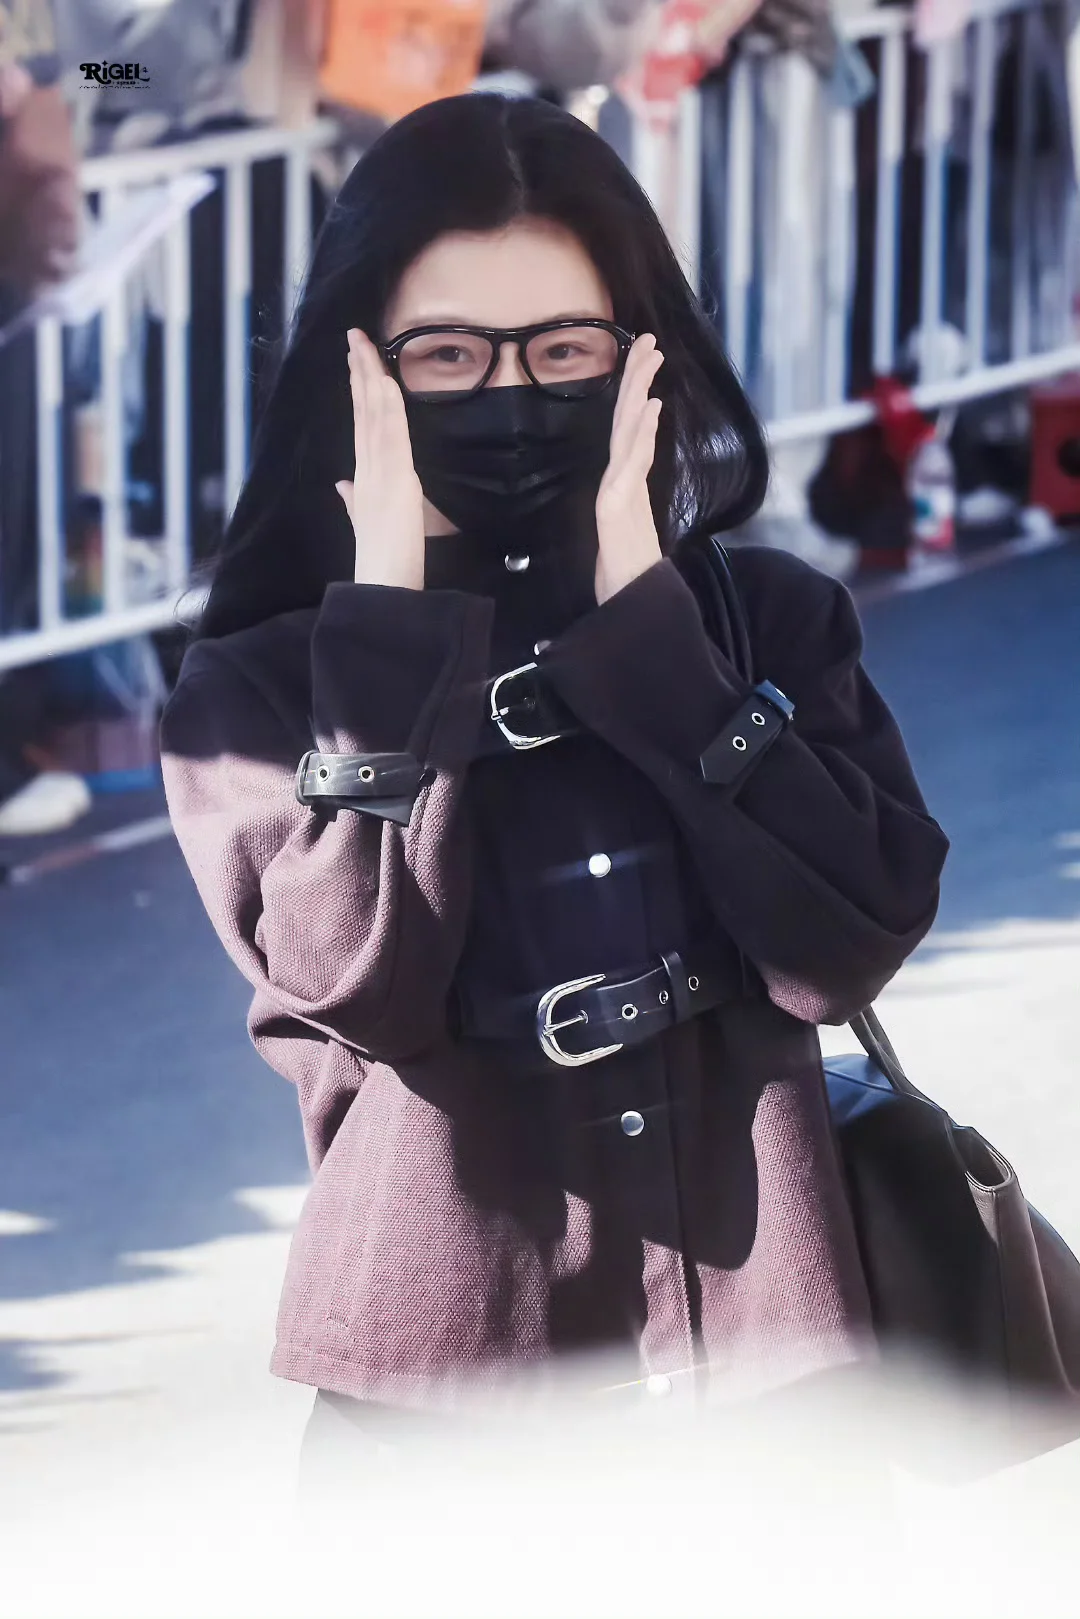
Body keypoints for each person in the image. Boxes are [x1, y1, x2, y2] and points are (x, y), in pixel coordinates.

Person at [159, 92, 949, 1488]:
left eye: (564, 347)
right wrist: (392, 628)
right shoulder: (257, 685)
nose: (510, 394)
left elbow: (849, 942)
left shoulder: (768, 616)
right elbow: (355, 988)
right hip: (445, 1421)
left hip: (773, 1390)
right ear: (360, 370)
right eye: (448, 352)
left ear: (642, 357)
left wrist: (656, 636)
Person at [0, 2, 91, 836]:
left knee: (24, 513)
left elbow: (104, 69)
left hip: (21, 273)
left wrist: (47, 87)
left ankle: (12, 742)